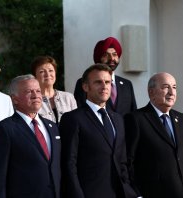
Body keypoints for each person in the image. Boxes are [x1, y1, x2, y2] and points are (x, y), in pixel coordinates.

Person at [59, 64, 138, 198]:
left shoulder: (118, 119)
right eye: (98, 82)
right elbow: (69, 163)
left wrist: (131, 190)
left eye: (107, 82)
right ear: (85, 87)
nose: (104, 86)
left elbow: (122, 160)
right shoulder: (72, 118)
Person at [0, 74, 61, 198]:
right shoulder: (4, 129)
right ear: (15, 99)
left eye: (38, 91)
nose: (35, 95)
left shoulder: (52, 127)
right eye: (29, 91)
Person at [125, 72, 183, 198]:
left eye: (174, 87)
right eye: (166, 87)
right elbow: (128, 162)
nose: (172, 93)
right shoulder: (136, 119)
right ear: (151, 92)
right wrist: (136, 194)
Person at [74, 37, 137, 116]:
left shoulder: (127, 84)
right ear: (99, 58)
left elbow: (133, 113)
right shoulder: (84, 82)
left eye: (115, 54)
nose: (112, 58)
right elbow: (80, 111)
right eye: (106, 55)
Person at [31, 55, 77, 124]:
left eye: (50, 70)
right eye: (42, 71)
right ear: (35, 76)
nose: (47, 74)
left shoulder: (68, 97)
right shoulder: (32, 100)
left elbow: (76, 122)